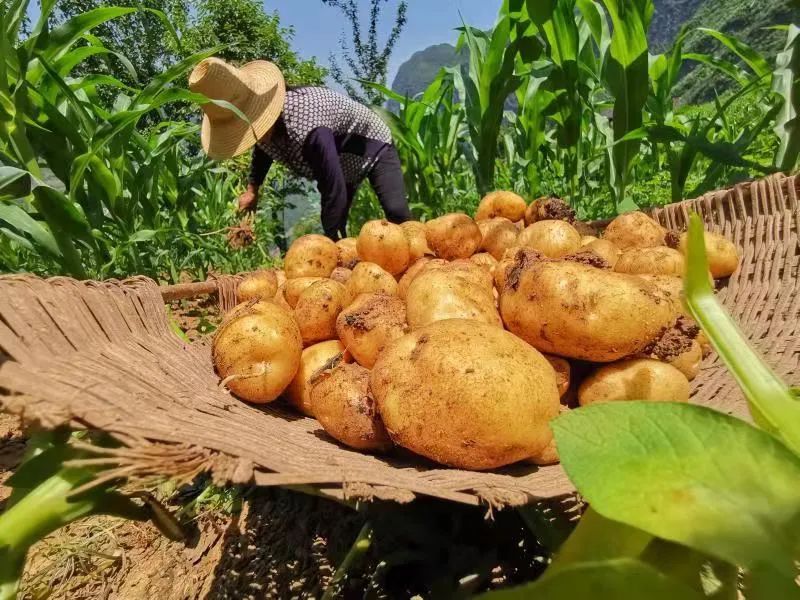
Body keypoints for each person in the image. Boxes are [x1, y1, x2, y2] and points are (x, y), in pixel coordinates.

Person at [188, 57, 412, 241]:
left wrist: (329, 244)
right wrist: (252, 189)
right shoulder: (265, 132)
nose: (254, 136)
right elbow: (262, 152)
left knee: (397, 212)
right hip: (339, 160)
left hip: (372, 147)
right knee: (340, 227)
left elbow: (332, 187)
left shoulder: (309, 129)